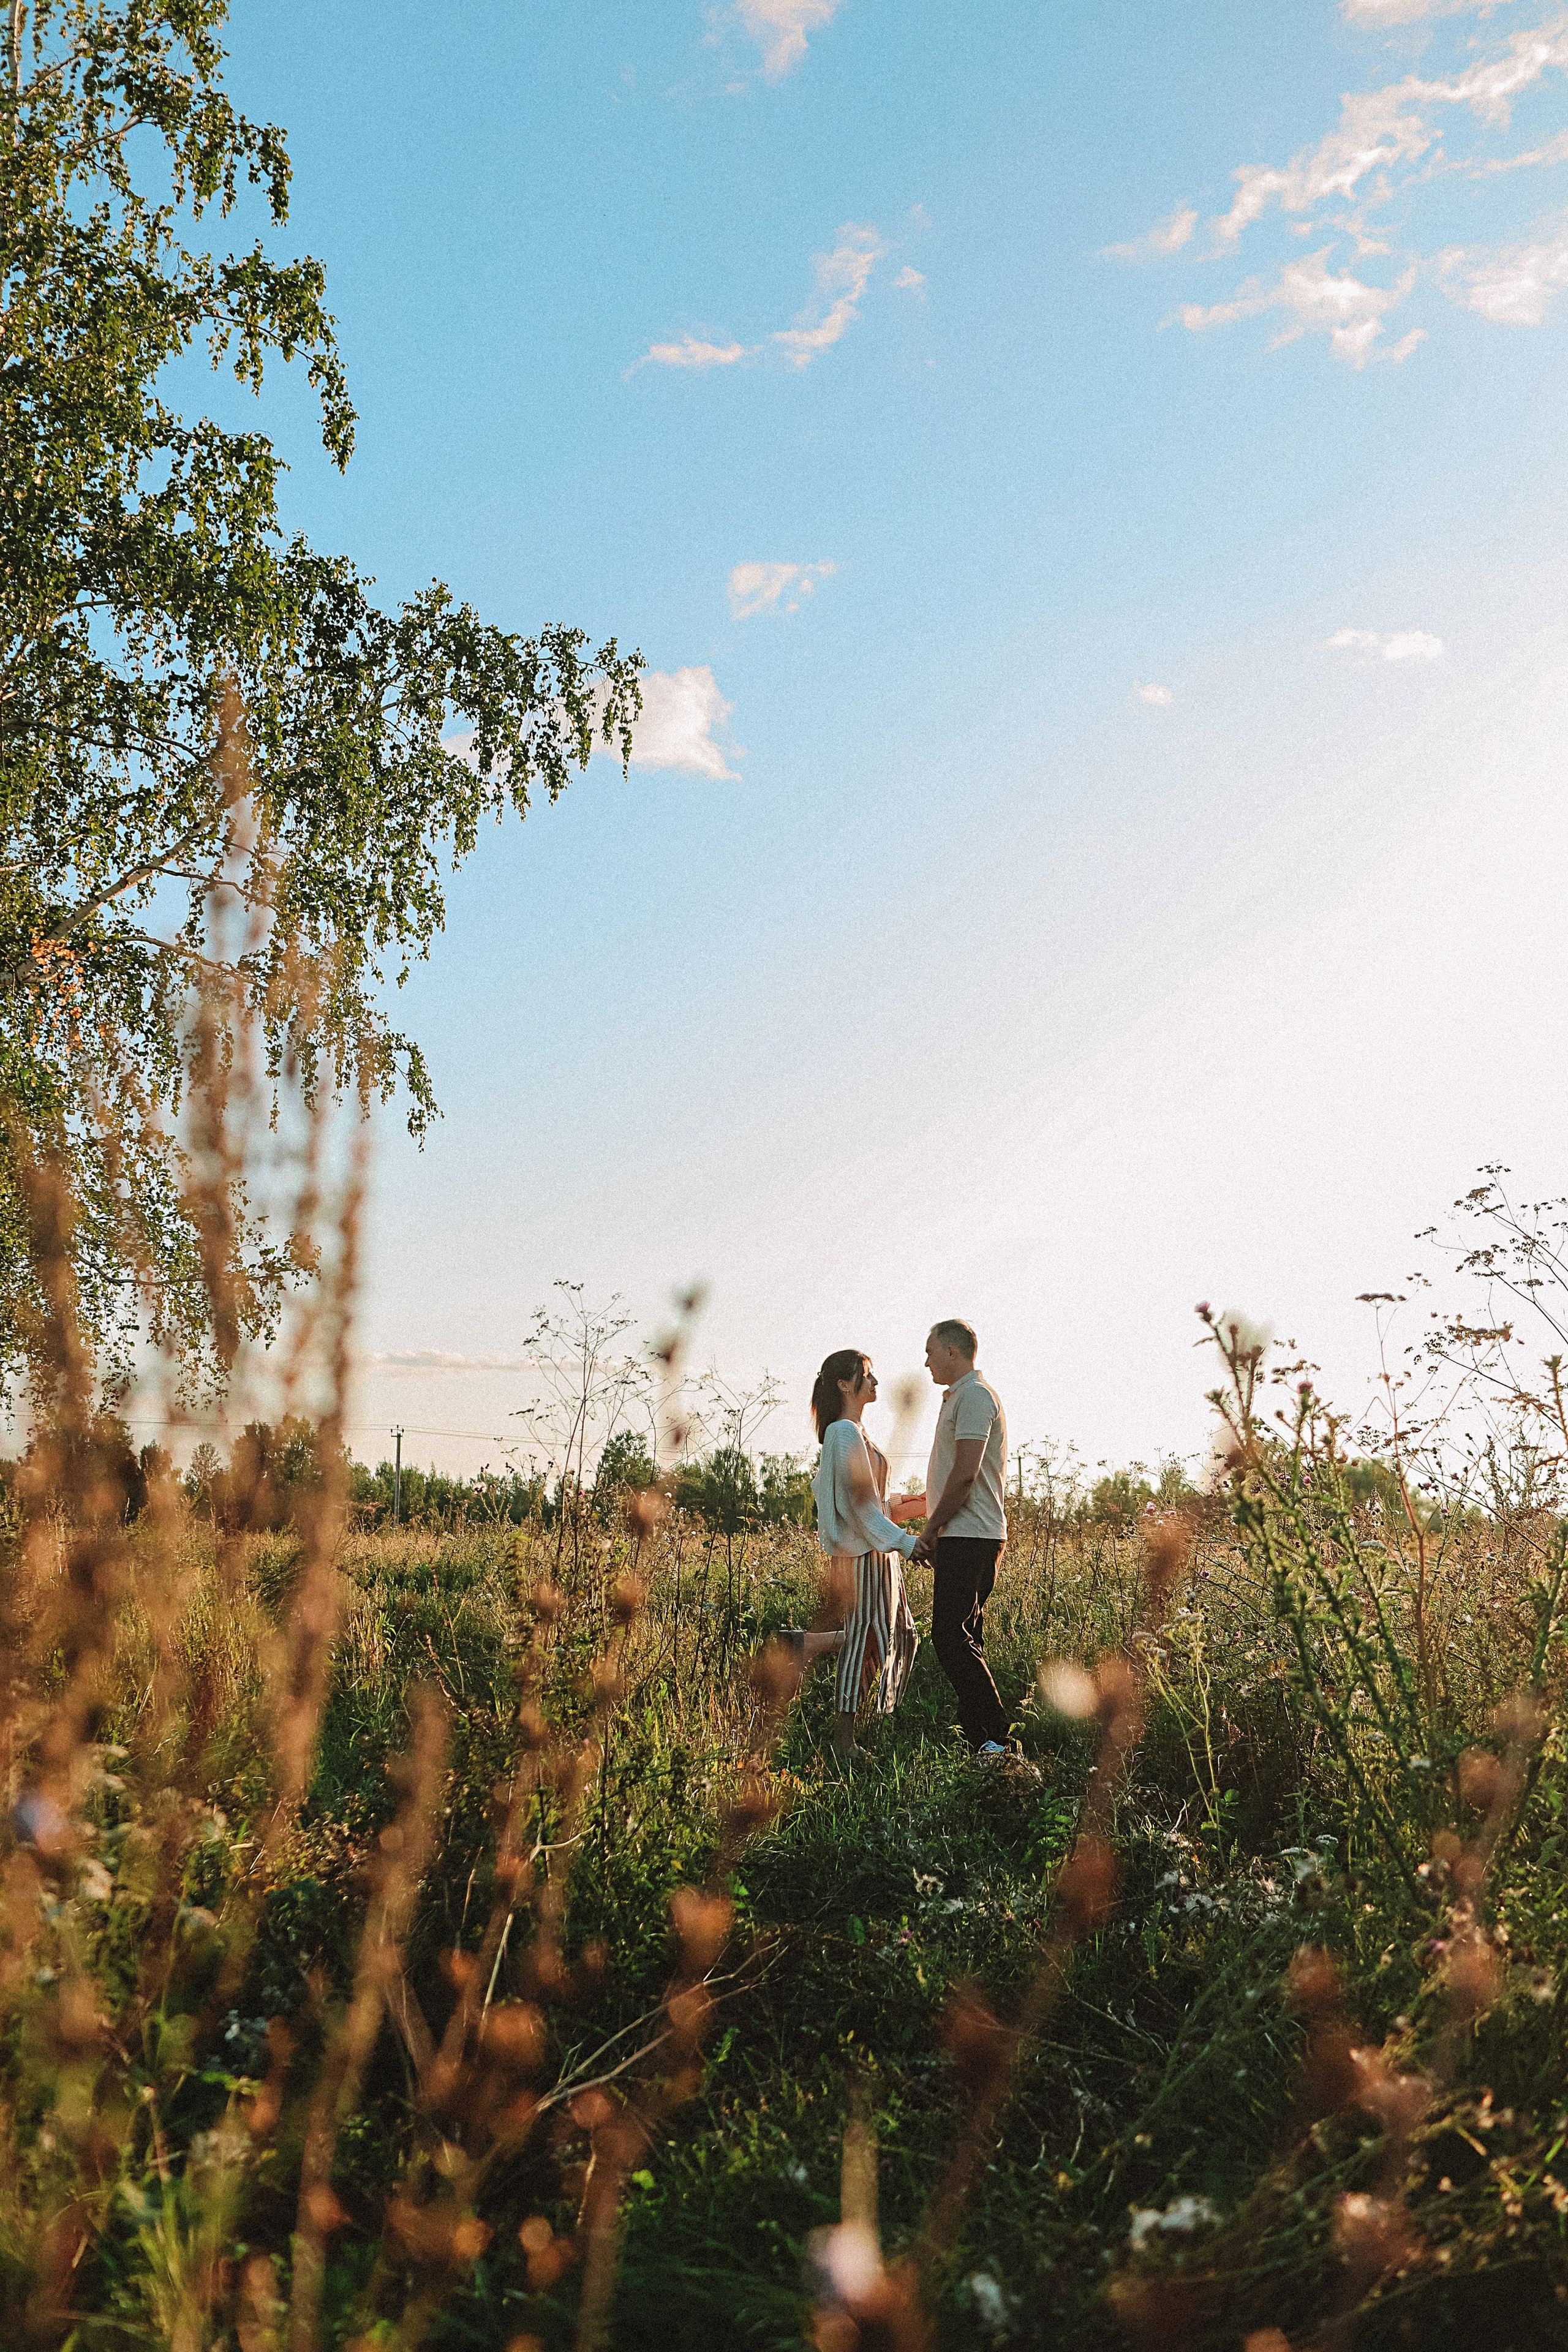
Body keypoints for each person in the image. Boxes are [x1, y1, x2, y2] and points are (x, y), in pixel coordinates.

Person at [807, 1348, 922, 1757]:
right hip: (862, 1554)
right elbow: (860, 1507)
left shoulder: (857, 1432)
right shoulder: (843, 1433)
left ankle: (881, 1717)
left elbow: (880, 1500)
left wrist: (922, 1504)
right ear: (844, 1384)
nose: (874, 1383)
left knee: (902, 1633)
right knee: (863, 1637)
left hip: (879, 1551)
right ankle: (845, 1737)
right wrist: (908, 1544)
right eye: (866, 1375)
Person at [907, 1319, 1012, 1763]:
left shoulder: (973, 1396)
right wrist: (913, 1511)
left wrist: (930, 1531)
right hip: (963, 1533)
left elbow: (966, 1474)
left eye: (930, 1350)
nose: (926, 1360)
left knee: (951, 1639)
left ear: (952, 1351)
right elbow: (951, 1477)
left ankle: (1000, 1741)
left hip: (970, 1535)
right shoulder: (961, 1397)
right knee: (966, 1637)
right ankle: (982, 1746)